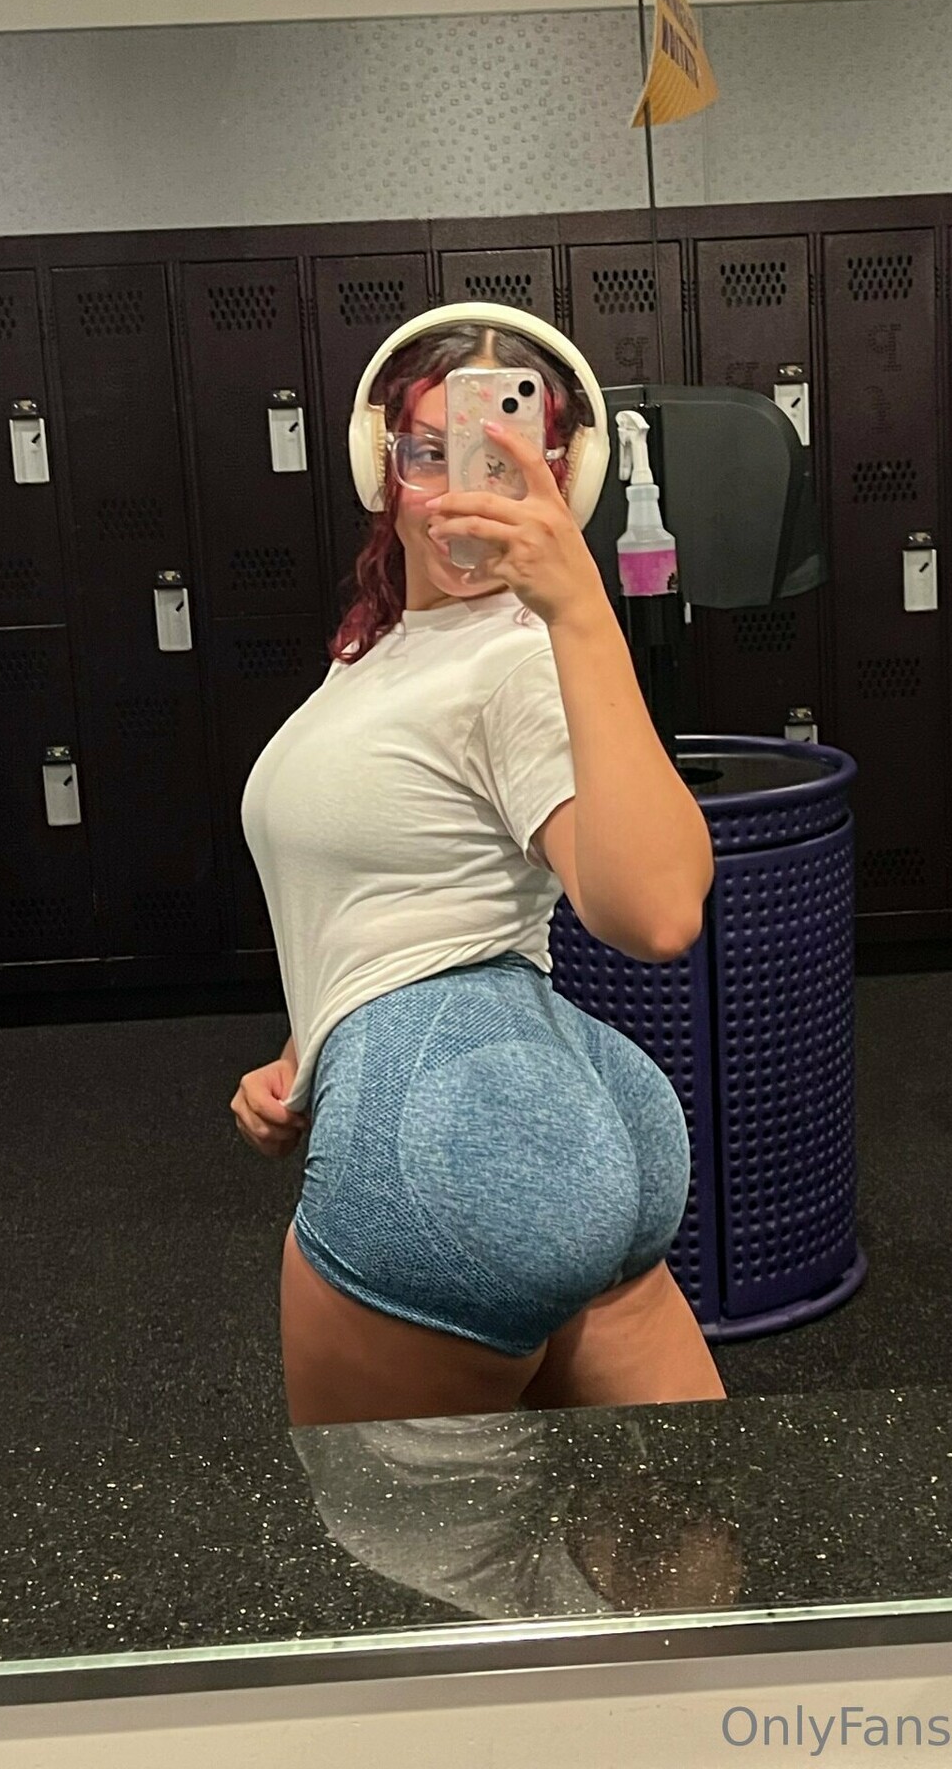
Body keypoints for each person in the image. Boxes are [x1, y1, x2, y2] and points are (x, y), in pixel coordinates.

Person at [233, 304, 727, 1423]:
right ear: (380, 466)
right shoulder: (384, 650)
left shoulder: (519, 662)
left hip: (445, 1134)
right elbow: (407, 895)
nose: (468, 490)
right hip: (535, 1102)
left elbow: (657, 913)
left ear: (567, 480)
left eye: (517, 460)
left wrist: (578, 606)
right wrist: (310, 1050)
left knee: (402, 1535)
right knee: (677, 1516)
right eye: (435, 452)